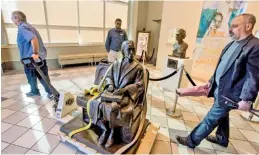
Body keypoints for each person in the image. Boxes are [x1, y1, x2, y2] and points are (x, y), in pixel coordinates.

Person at [176, 13, 259, 148]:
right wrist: (211, 81)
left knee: (211, 119)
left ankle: (191, 141)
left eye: (235, 26)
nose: (230, 29)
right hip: (219, 89)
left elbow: (253, 76)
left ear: (248, 26)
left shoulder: (255, 46)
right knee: (222, 115)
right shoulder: (232, 43)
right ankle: (222, 139)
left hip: (230, 93)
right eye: (230, 26)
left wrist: (247, 99)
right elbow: (223, 66)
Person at [89, 40, 145, 148]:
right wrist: (110, 85)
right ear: (123, 51)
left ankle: (112, 133)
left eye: (133, 49)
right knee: (97, 103)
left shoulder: (138, 68)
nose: (132, 52)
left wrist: (125, 89)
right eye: (129, 49)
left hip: (126, 96)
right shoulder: (116, 63)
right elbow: (109, 76)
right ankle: (105, 129)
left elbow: (140, 85)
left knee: (113, 107)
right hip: (113, 92)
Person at [11, 11, 53, 98]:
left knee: (31, 75)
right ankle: (50, 92)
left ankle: (35, 91)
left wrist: (35, 53)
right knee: (43, 75)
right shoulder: (30, 27)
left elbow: (34, 39)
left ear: (17, 18)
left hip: (31, 58)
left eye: (12, 18)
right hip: (39, 58)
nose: (12, 20)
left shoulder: (22, 28)